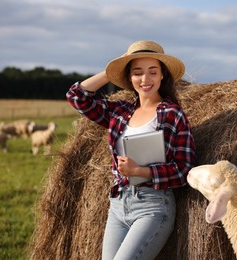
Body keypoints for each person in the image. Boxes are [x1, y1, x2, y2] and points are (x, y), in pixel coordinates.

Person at [66, 40, 197, 260]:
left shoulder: (172, 114)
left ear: (162, 75)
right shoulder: (119, 112)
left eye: (152, 72)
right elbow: (77, 96)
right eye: (137, 72)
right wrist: (112, 70)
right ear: (129, 78)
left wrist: (141, 171)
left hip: (153, 206)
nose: (145, 79)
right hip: (118, 204)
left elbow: (185, 170)